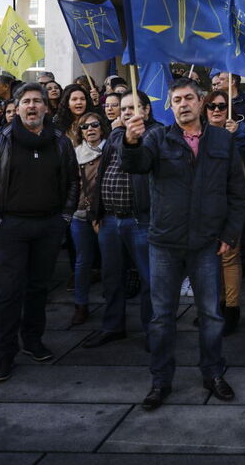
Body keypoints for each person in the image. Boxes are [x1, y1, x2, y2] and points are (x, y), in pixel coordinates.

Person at [122, 77, 245, 409]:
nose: (183, 104)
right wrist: (130, 142)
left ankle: (213, 373)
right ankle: (160, 381)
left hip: (207, 243)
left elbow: (237, 192)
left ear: (201, 101)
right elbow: (135, 165)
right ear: (170, 105)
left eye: (189, 98)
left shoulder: (222, 139)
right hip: (164, 242)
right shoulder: (156, 138)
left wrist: (229, 234)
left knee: (211, 315)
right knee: (162, 317)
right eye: (176, 99)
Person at [0, 82, 79, 382]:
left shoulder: (60, 141)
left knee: (37, 289)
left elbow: (73, 181)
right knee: (8, 292)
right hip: (11, 228)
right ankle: (5, 353)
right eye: (26, 102)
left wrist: (65, 217)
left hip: (48, 226)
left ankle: (33, 341)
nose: (32, 106)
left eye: (37, 101)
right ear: (16, 108)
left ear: (47, 107)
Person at [84, 91, 160, 349]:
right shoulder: (116, 135)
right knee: (111, 277)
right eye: (124, 108)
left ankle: (153, 332)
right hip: (109, 220)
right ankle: (113, 326)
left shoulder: (156, 134)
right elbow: (101, 175)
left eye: (133, 108)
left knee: (150, 278)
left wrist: (132, 137)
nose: (127, 112)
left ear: (147, 111)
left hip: (140, 220)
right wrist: (97, 212)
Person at [204, 88, 245, 334]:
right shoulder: (197, 132)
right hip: (204, 204)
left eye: (221, 106)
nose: (217, 110)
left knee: (229, 257)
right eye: (212, 106)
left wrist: (237, 134)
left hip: (232, 202)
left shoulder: (240, 128)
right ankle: (213, 308)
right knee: (208, 260)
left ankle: (232, 309)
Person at [66, 111, 108, 327]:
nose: (90, 129)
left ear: (102, 127)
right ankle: (80, 305)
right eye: (85, 127)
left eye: (94, 125)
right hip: (81, 215)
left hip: (107, 216)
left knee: (111, 261)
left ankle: (112, 305)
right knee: (83, 261)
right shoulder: (74, 154)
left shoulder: (112, 150)